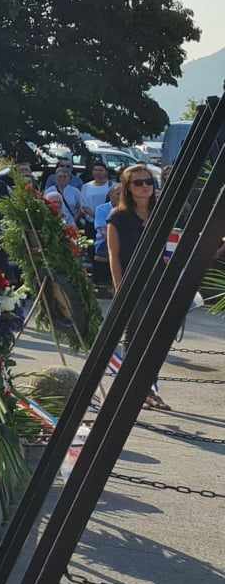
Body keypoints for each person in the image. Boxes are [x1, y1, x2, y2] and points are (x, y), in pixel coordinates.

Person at [106, 164, 171, 410]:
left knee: (158, 337)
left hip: (158, 280)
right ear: (128, 188)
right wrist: (119, 287)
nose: (145, 187)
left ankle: (148, 388)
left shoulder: (161, 212)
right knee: (135, 336)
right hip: (132, 283)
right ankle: (131, 389)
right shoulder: (118, 216)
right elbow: (114, 256)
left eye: (148, 182)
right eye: (138, 183)